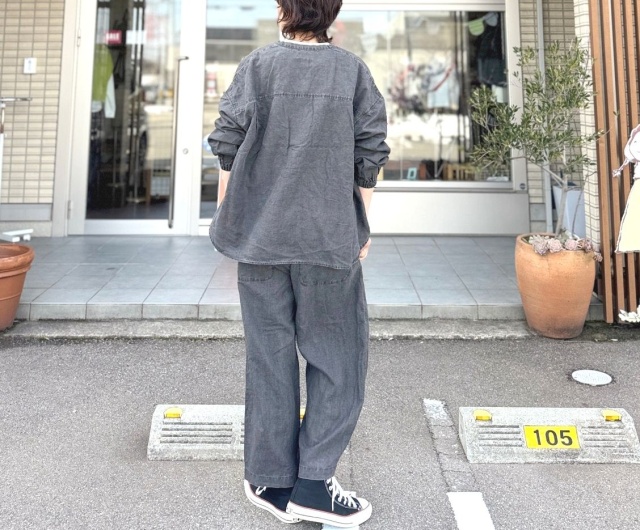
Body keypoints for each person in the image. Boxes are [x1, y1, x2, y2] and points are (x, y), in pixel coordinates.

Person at [208, 0, 389, 526]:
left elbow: (227, 146)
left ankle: (271, 480)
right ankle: (313, 483)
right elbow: (369, 154)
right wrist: (360, 224)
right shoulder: (352, 71)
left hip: (261, 240)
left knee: (269, 358)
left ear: (284, 9)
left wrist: (229, 221)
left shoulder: (257, 66)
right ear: (331, 13)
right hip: (328, 240)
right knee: (338, 359)